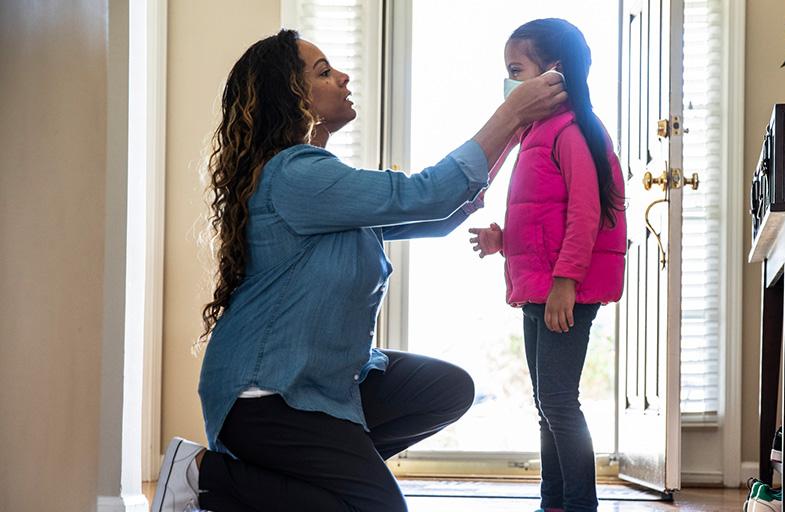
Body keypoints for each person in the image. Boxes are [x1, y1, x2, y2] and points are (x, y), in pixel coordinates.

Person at [150, 29, 566, 512]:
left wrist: (512, 135)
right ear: (291, 96)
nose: (343, 77)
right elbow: (424, 194)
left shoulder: (316, 177)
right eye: (323, 71)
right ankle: (204, 476)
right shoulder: (296, 174)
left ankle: (329, 483)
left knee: (448, 389)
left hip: (322, 382)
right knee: (380, 510)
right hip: (265, 397)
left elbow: (431, 213)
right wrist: (511, 113)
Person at [467, 18, 627, 512]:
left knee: (558, 402)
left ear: (553, 69)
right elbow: (544, 216)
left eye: (516, 69)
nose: (510, 80)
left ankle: (578, 505)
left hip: (562, 291)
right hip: (539, 287)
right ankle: (553, 502)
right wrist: (502, 239)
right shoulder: (537, 132)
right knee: (547, 406)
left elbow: (586, 212)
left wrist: (565, 282)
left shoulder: (573, 130)